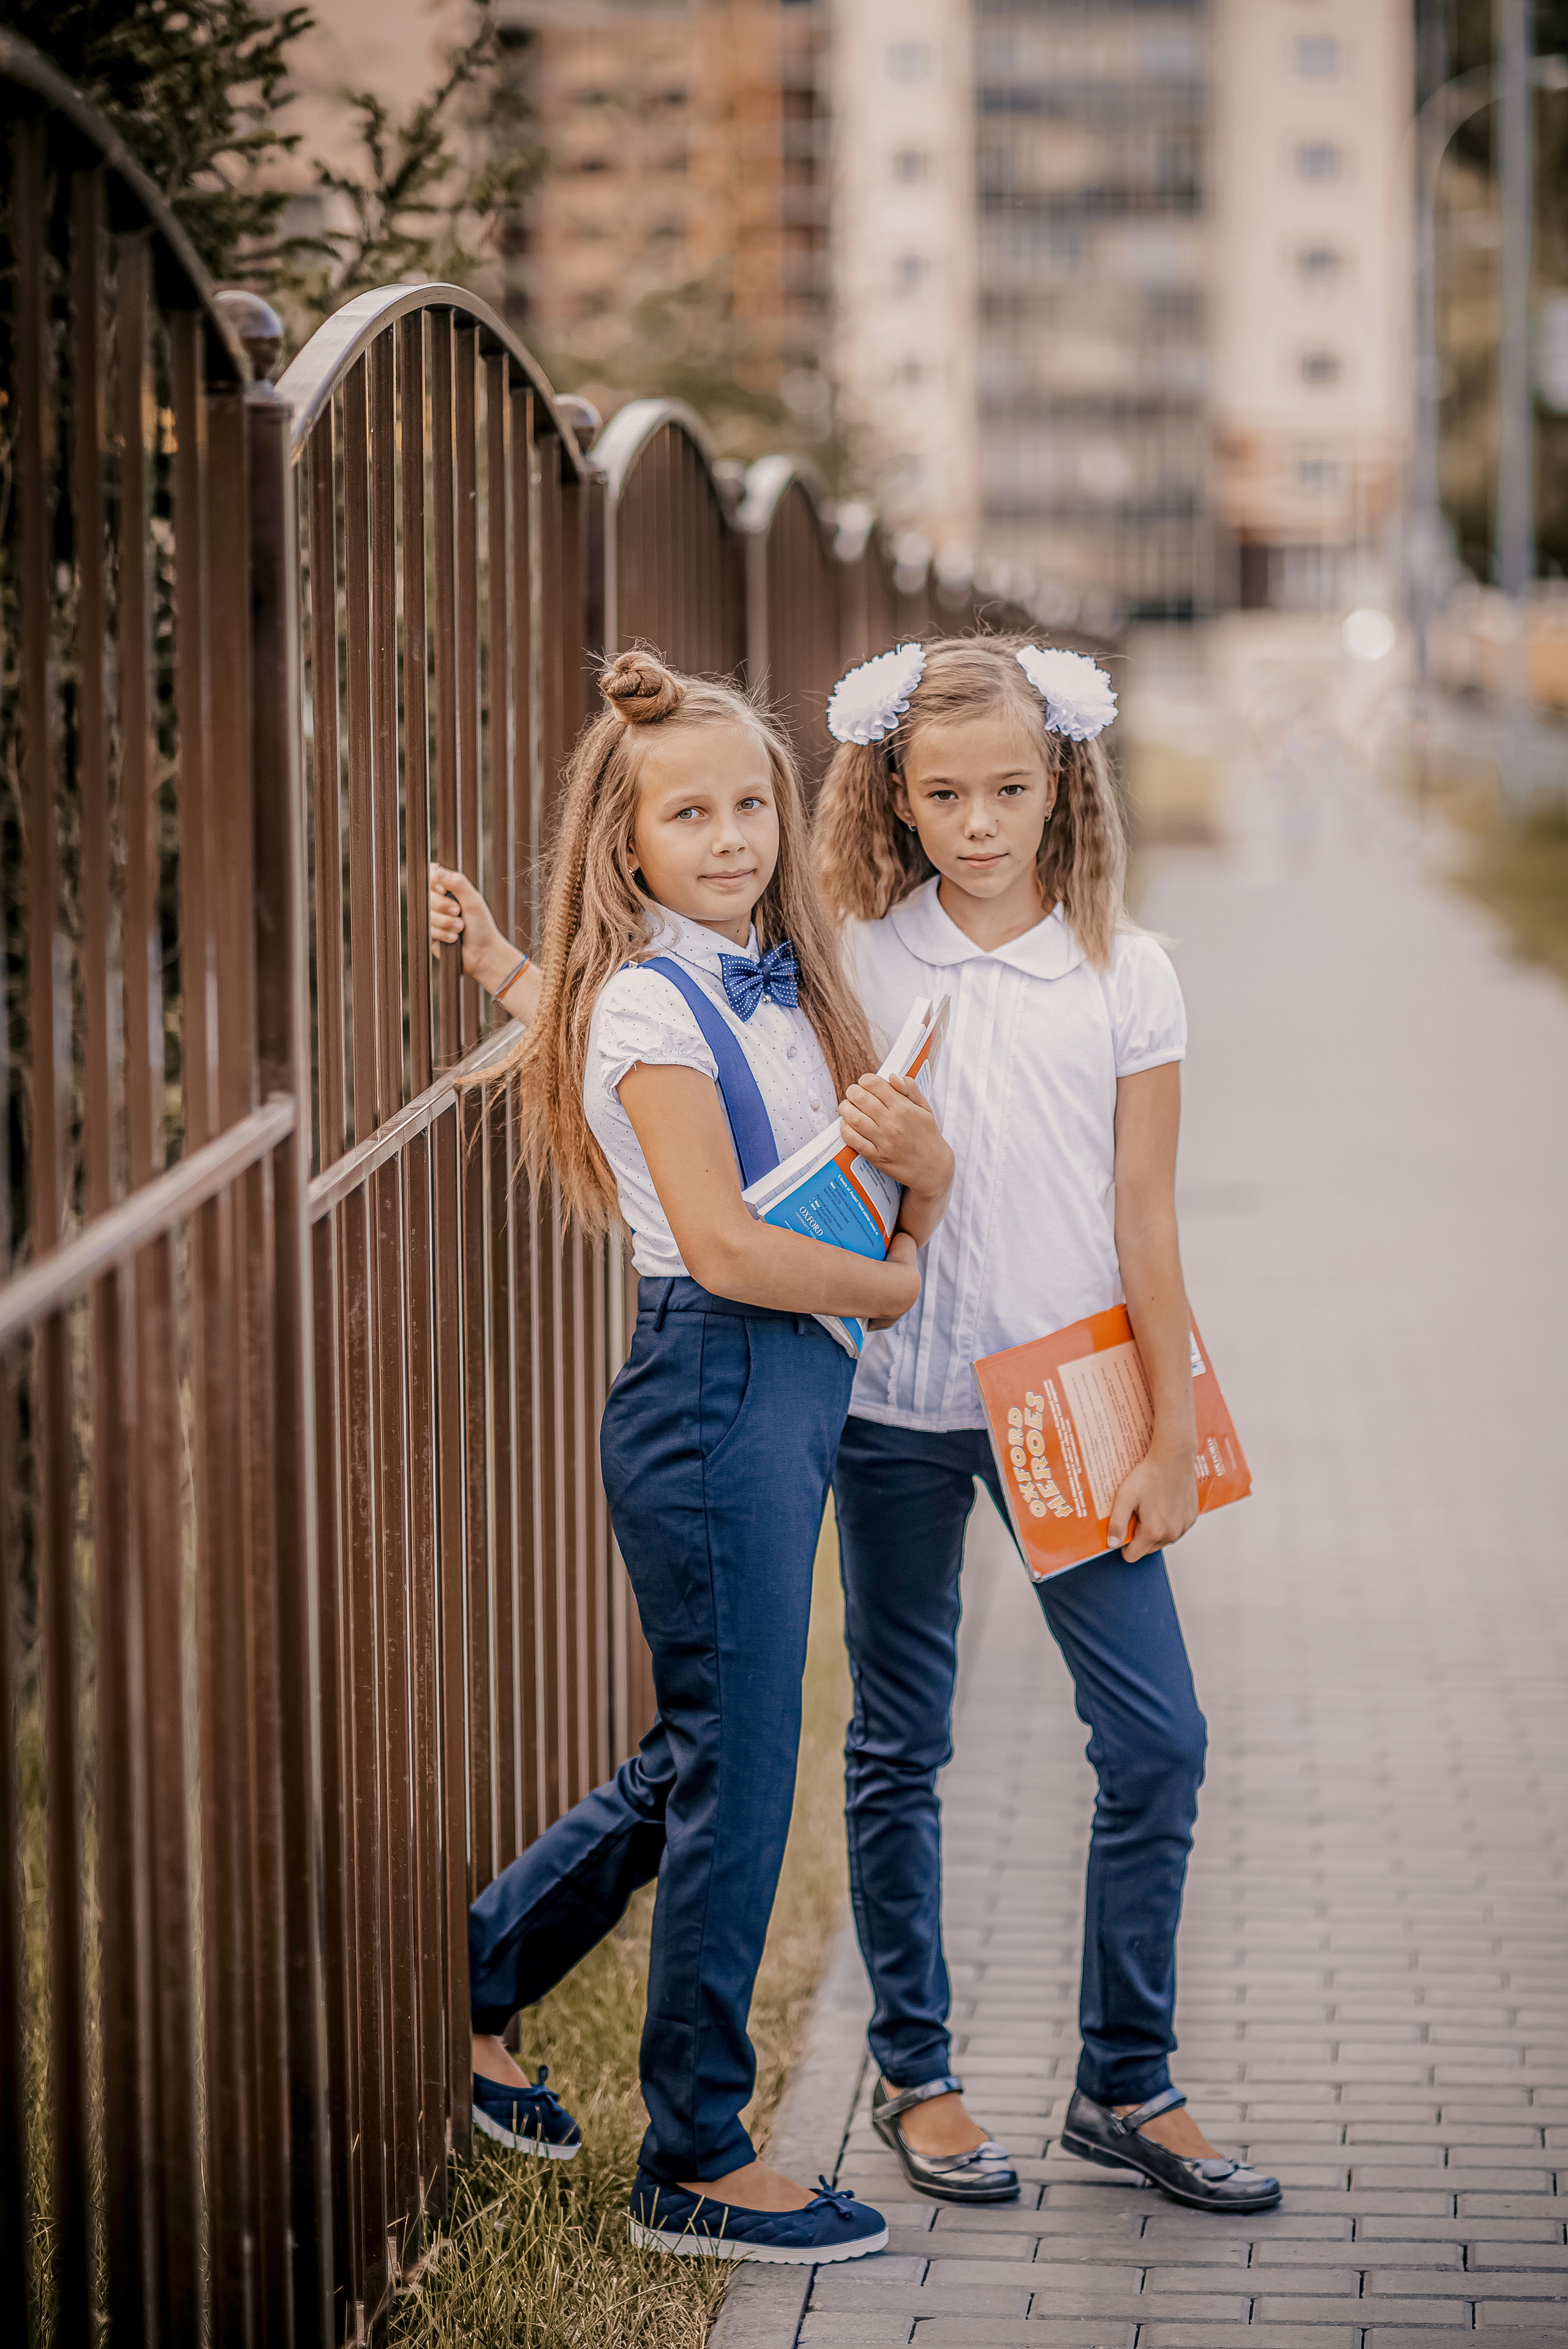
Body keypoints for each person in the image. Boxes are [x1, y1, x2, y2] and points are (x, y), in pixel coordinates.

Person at [430, 649, 952, 2261]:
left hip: (782, 1388)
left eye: (750, 806)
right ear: (628, 839)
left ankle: (485, 1968)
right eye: (689, 812)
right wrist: (896, 1277)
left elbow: (592, 1026)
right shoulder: (661, 998)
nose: (728, 836)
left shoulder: (772, 972)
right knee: (739, 1763)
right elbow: (725, 1242)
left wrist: (914, 1179)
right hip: (719, 1385)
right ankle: (696, 2154)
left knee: (704, 1746)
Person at [810, 635, 1281, 2216]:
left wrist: (1163, 1428)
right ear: (896, 790)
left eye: (1010, 787)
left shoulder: (1126, 970)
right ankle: (919, 2074)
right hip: (889, 1407)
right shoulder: (856, 956)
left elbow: (1145, 1219)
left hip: (1072, 1401)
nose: (981, 821)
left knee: (1159, 1738)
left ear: (1063, 777)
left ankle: (1128, 2078)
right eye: (945, 792)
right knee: (900, 1742)